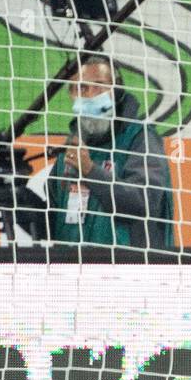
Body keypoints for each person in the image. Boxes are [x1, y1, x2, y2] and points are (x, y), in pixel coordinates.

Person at [46, 53, 174, 251]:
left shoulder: (140, 139)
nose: (90, 95)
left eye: (99, 86)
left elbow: (143, 201)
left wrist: (91, 171)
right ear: (72, 95)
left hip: (129, 272)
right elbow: (52, 219)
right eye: (81, 88)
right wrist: (18, 197)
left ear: (117, 92)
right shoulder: (71, 148)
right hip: (71, 273)